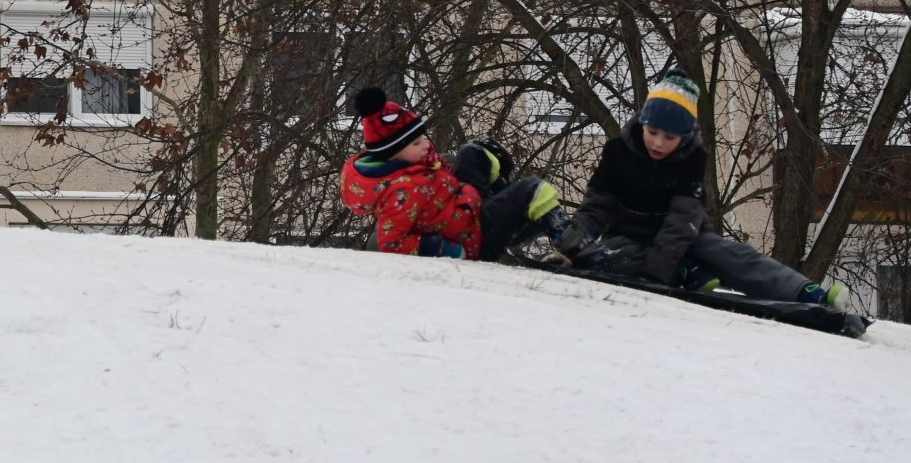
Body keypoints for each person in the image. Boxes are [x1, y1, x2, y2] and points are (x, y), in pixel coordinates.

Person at [554, 69, 855, 311]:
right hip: (629, 238)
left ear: (684, 138)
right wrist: (573, 245)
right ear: (642, 124)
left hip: (684, 237)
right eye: (653, 132)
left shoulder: (693, 159)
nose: (658, 143)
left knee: (728, 253)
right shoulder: (617, 151)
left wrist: (656, 275)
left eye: (669, 137)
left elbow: (682, 221)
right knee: (610, 257)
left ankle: (809, 294)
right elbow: (596, 207)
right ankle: (686, 272)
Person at [340, 85, 564, 262]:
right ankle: (575, 248)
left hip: (467, 211)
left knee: (473, 152)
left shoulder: (418, 165)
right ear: (393, 155)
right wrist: (448, 251)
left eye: (423, 137)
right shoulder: (402, 191)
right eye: (417, 142)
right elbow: (393, 243)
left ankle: (511, 208)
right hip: (474, 237)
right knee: (532, 189)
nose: (426, 144)